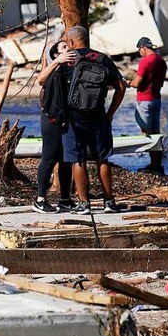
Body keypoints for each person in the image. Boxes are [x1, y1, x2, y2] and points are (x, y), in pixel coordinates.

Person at [62, 26, 126, 215]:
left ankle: (84, 204)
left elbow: (48, 87)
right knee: (102, 159)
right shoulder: (102, 59)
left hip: (73, 118)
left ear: (72, 42)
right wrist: (111, 113)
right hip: (99, 116)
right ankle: (109, 201)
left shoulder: (68, 60)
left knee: (78, 160)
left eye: (67, 41)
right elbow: (121, 86)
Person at [34, 40, 75, 213]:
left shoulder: (70, 69)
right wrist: (56, 61)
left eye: (68, 46)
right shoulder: (54, 69)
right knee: (49, 158)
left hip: (66, 119)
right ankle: (40, 199)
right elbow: (40, 80)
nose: (68, 49)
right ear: (56, 55)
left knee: (66, 160)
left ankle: (65, 199)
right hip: (50, 120)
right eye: (64, 47)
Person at [130, 37, 167, 174]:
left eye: (139, 49)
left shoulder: (145, 61)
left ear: (143, 47)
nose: (139, 52)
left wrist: (128, 82)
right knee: (156, 133)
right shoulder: (161, 61)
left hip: (144, 100)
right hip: (156, 98)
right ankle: (158, 164)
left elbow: (137, 83)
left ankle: (153, 165)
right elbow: (161, 82)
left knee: (147, 133)